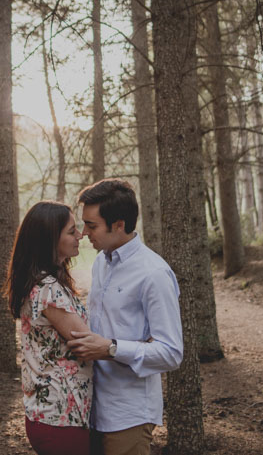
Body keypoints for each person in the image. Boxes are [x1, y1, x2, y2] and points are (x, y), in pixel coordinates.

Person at [67, 179, 183, 455]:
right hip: (92, 407)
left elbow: (171, 353)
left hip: (129, 413)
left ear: (118, 224)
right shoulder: (100, 263)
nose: (84, 233)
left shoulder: (154, 273)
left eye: (91, 225)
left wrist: (111, 348)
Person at [3, 201, 92, 455]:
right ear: (51, 239)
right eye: (71, 231)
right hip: (61, 418)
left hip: (55, 413)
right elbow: (88, 343)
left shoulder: (45, 281)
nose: (80, 235)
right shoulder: (47, 288)